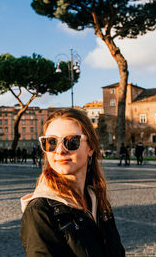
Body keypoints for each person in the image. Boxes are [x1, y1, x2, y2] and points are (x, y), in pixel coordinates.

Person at [20, 108, 125, 256]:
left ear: (91, 148)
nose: (60, 150)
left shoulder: (97, 200)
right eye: (51, 142)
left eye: (71, 141)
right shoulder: (40, 211)